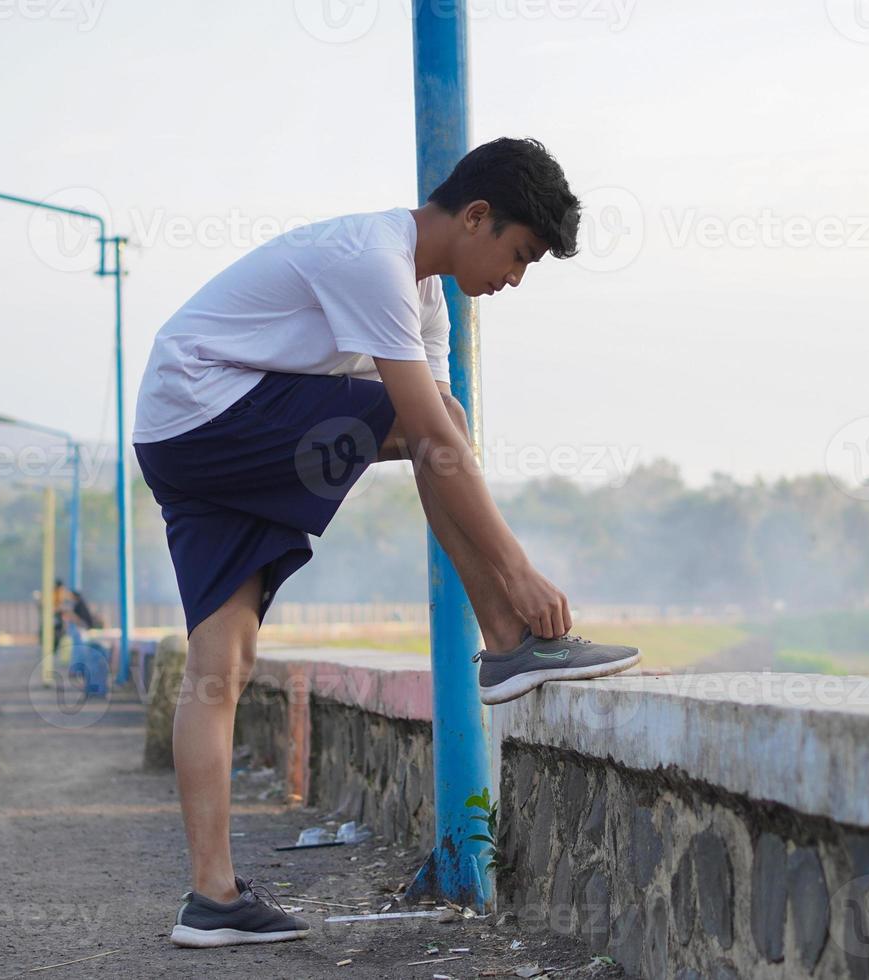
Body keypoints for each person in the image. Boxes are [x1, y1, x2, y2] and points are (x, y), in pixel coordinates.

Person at [131, 137, 642, 949]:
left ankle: (211, 898)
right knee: (431, 424)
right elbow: (430, 435)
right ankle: (508, 639)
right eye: (519, 254)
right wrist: (520, 572)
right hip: (208, 411)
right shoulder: (373, 259)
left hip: (178, 432)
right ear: (475, 217)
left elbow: (440, 428)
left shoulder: (424, 294)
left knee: (218, 665)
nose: (514, 279)